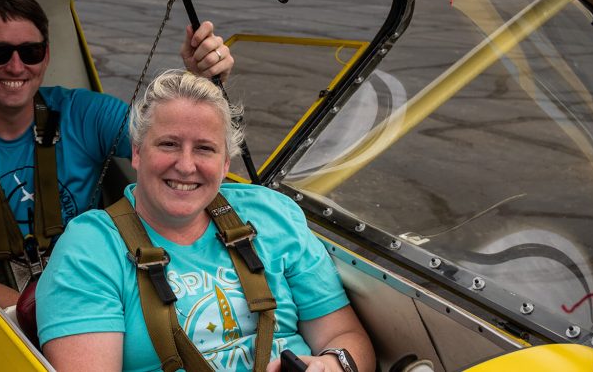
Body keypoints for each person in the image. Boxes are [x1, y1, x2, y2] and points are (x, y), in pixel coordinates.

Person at [0, 0, 235, 308]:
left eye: (31, 52)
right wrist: (64, 318)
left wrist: (199, 80)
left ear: (45, 56)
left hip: (103, 285)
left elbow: (171, 144)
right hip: (9, 312)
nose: (16, 67)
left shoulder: (85, 114)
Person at [36, 69, 374, 371]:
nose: (186, 166)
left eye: (204, 149)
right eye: (169, 144)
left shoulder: (273, 215)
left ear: (226, 163)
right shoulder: (89, 249)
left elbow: (344, 335)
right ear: (137, 152)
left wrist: (332, 364)